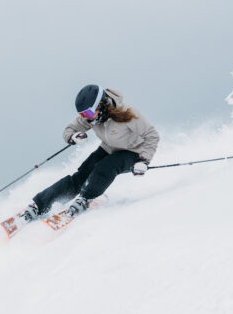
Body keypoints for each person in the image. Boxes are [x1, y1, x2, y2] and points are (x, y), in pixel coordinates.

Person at [18, 84, 160, 223]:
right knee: (81, 175)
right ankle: (39, 205)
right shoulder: (93, 118)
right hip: (108, 148)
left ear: (102, 104)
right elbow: (70, 129)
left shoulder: (128, 113)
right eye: (83, 114)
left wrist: (144, 160)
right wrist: (72, 136)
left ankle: (86, 198)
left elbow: (152, 135)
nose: (87, 118)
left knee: (105, 167)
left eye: (89, 113)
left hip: (133, 152)